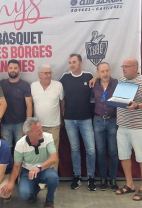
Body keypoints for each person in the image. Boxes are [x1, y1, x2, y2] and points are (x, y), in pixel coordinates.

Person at [114, 58, 142, 201]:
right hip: (122, 126)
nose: (123, 69)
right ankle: (129, 184)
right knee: (124, 156)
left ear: (135, 67)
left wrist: (137, 105)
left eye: (126, 66)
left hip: (138, 127)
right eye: (123, 66)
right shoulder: (120, 79)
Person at [1, 117, 59, 208]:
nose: (41, 132)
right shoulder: (20, 144)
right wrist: (11, 183)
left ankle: (50, 199)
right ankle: (34, 190)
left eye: (40, 128)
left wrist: (39, 167)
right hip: (27, 172)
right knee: (24, 194)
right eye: (38, 130)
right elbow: (16, 166)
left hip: (45, 170)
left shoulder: (48, 137)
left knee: (53, 177)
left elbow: (54, 158)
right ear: (29, 133)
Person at [60, 54, 96, 191]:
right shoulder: (64, 78)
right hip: (69, 119)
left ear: (80, 63)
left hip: (86, 119)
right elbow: (60, 96)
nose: (72, 65)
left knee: (91, 150)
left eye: (74, 62)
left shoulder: (88, 76)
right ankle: (77, 176)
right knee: (74, 149)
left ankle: (91, 177)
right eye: (70, 62)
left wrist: (97, 77)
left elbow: (101, 84)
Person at [31, 64, 64, 172]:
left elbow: (62, 102)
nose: (48, 75)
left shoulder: (58, 85)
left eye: (50, 73)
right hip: (37, 126)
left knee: (53, 152)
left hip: (54, 125)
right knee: (38, 152)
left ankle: (52, 177)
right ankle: (40, 177)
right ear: (39, 75)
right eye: (45, 73)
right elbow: (30, 105)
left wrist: (61, 118)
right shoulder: (33, 86)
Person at [92, 62, 119, 191]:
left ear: (110, 70)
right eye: (102, 71)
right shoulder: (94, 84)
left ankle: (112, 178)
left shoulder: (116, 83)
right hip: (97, 120)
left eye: (107, 70)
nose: (105, 73)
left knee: (113, 151)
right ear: (98, 72)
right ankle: (103, 178)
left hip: (112, 121)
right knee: (101, 151)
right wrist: (95, 78)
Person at [0, 59, 32, 148]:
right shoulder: (1, 84)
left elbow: (29, 105)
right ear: (7, 69)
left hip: (20, 123)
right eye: (10, 68)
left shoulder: (25, 85)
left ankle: (19, 163)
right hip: (5, 123)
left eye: (15, 68)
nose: (13, 70)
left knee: (21, 148)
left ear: (19, 69)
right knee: (6, 149)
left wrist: (27, 124)